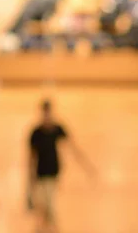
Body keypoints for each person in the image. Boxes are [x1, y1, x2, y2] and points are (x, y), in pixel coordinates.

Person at [28, 99, 94, 232]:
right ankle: (45, 228)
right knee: (42, 205)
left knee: (50, 203)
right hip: (40, 173)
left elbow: (73, 148)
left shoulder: (57, 129)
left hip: (53, 172)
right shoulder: (36, 133)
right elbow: (31, 158)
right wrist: (30, 178)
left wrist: (87, 166)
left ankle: (50, 229)